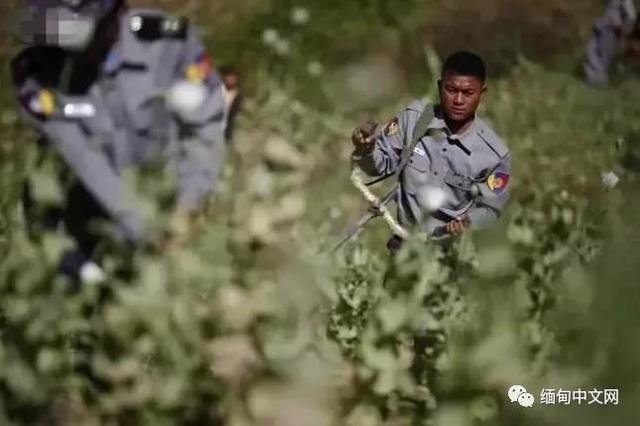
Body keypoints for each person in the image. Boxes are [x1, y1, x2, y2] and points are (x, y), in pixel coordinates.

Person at [11, 0, 226, 280]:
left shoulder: (167, 40)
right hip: (92, 225)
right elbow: (86, 161)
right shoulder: (37, 75)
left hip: (170, 198)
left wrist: (190, 202)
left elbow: (205, 125)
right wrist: (149, 231)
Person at [350, 51, 511, 253]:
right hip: (404, 248)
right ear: (439, 87)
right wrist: (367, 149)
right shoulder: (415, 120)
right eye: (451, 90)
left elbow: (491, 208)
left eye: (468, 93)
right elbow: (381, 165)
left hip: (450, 256)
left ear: (482, 93)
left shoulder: (493, 154)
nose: (458, 100)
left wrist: (468, 222)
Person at [584, 0, 640, 85]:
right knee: (593, 46)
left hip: (613, 25)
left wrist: (624, 26)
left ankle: (599, 76)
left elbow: (631, 16)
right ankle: (595, 74)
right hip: (606, 23)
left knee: (604, 53)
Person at [219, 65, 243, 142]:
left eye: (233, 78)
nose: (231, 79)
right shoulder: (216, 89)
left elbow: (234, 112)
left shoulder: (237, 95)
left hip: (225, 129)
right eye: (229, 77)